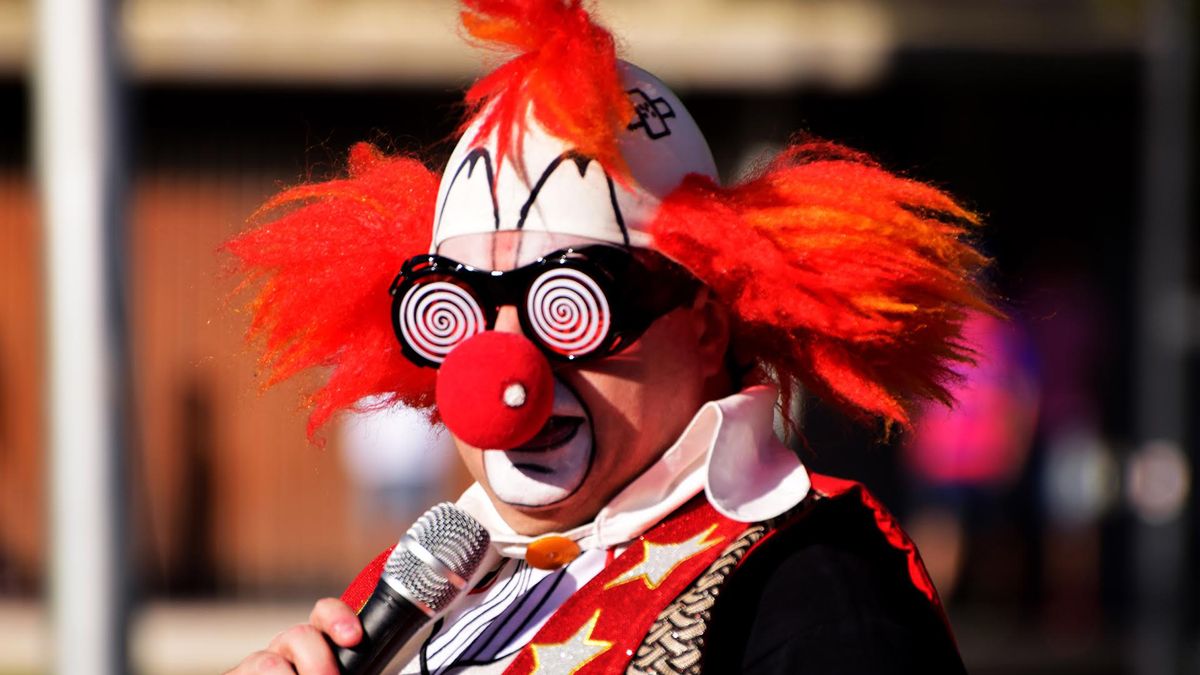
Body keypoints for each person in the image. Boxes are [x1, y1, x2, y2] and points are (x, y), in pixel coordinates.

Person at [225, 1, 989, 672]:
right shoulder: (421, 598)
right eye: (457, 307)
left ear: (702, 325)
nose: (503, 372)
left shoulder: (810, 590)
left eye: (565, 303)